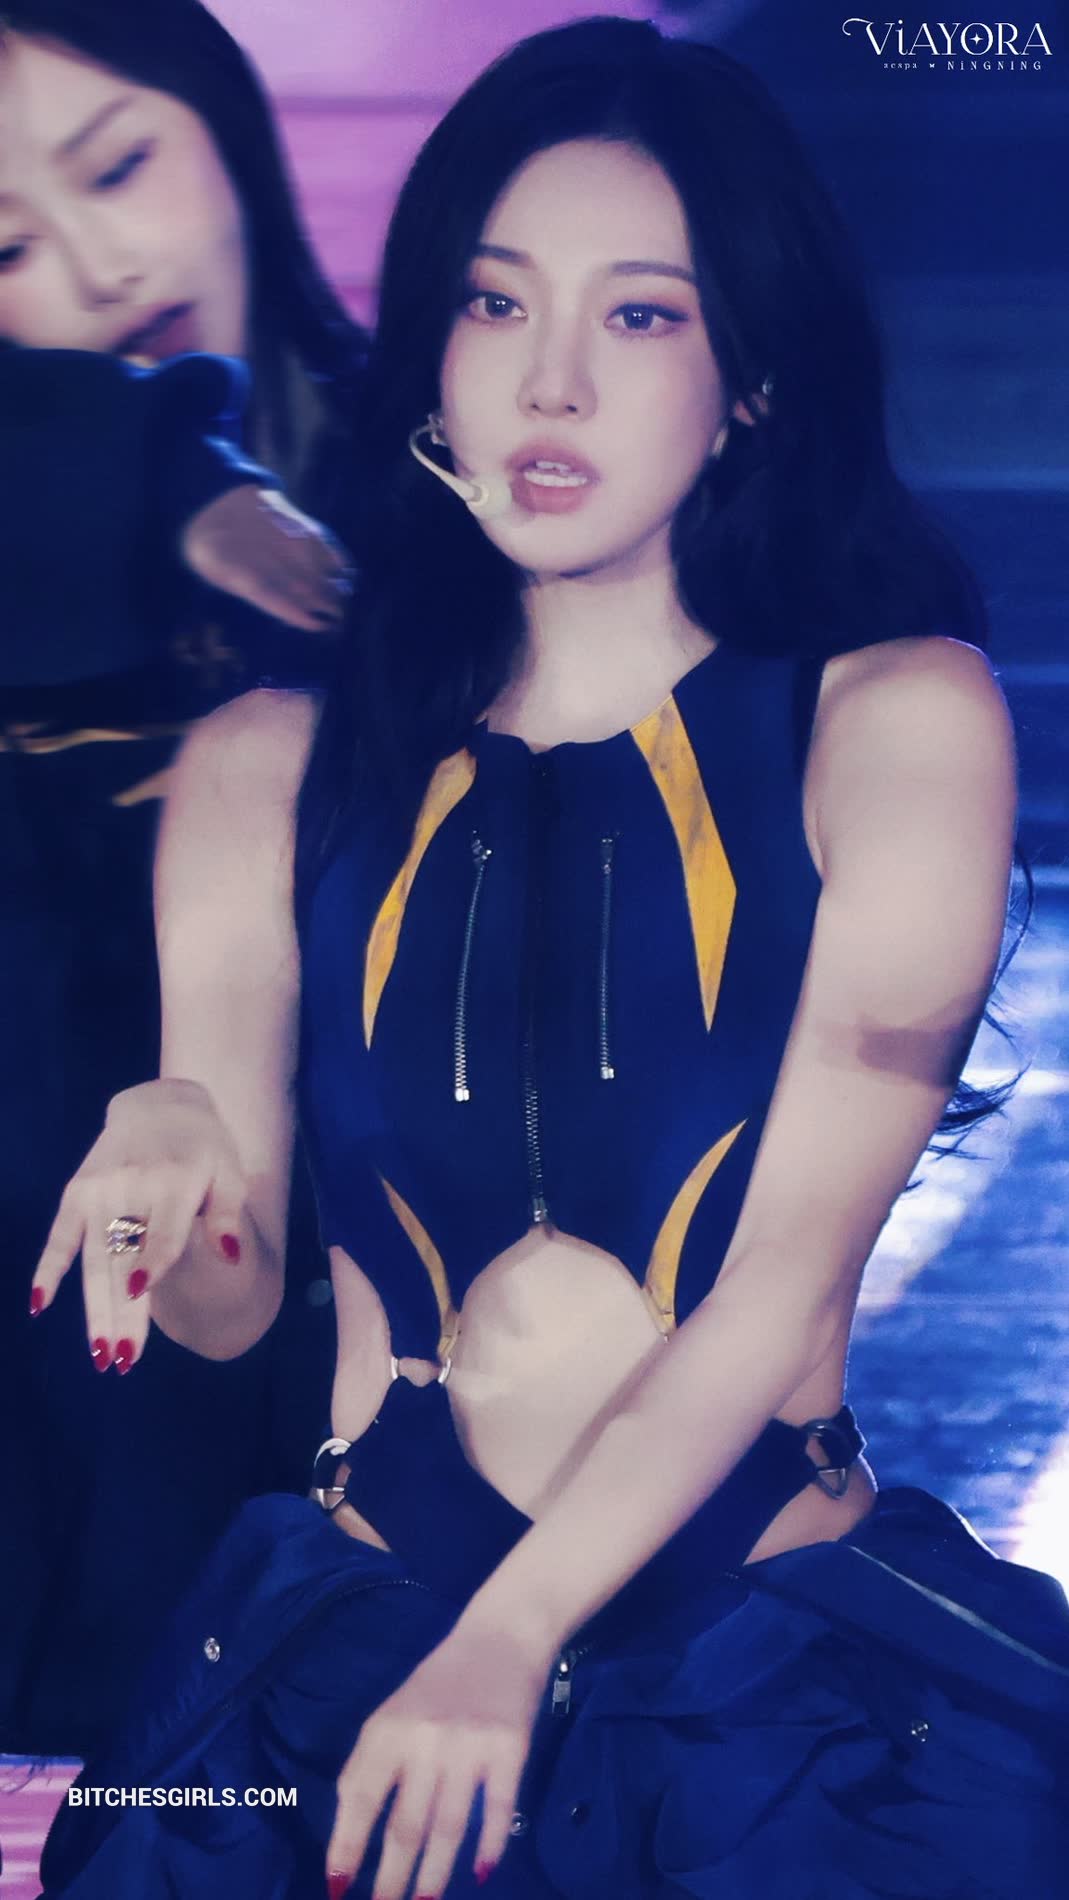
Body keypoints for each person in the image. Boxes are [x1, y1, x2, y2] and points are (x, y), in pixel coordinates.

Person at [35, 17, 1069, 1900]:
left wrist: (505, 1645)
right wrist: (167, 1158)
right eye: (497, 304)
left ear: (751, 380)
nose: (552, 381)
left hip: (774, 1701)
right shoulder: (264, 763)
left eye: (641, 315)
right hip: (355, 1668)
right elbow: (228, 1318)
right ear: (433, 347)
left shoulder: (894, 721)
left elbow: (778, 1283)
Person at [0, 0, 367, 1756]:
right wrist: (166, 474)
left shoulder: (443, 475)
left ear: (223, 122)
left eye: (121, 166)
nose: (98, 267)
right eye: (3, 248)